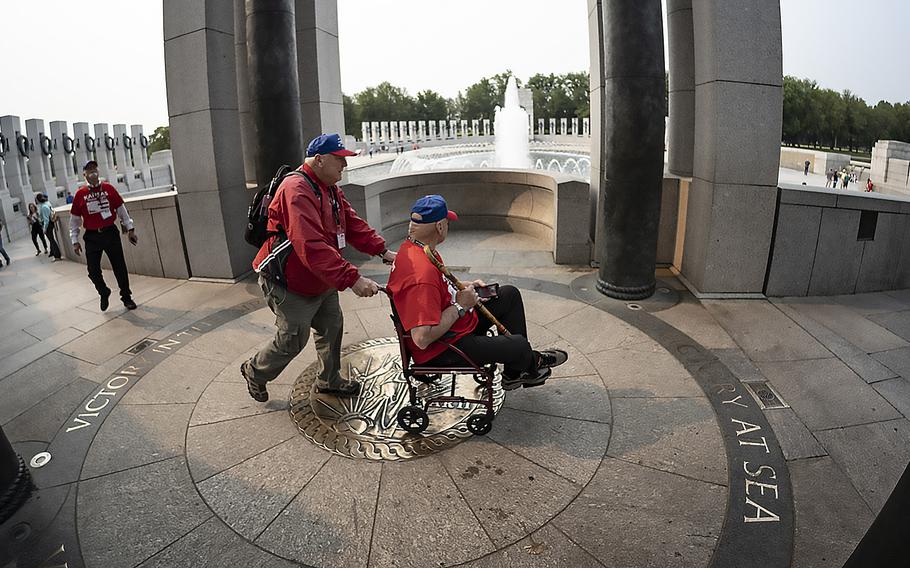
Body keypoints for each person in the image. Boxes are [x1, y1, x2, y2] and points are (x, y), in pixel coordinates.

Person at [241, 133, 396, 402]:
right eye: (339, 160)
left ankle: (330, 380)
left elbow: (352, 222)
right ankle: (255, 371)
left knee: (331, 327)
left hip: (319, 276)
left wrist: (381, 250)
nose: (344, 167)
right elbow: (310, 244)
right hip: (288, 280)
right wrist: (353, 279)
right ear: (320, 160)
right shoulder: (296, 190)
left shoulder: (330, 188)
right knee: (292, 339)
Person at [386, 195, 568, 390]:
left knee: (508, 295)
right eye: (447, 222)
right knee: (519, 345)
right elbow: (422, 338)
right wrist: (460, 305)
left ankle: (516, 372)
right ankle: (532, 361)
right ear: (439, 226)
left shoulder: (413, 248)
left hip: (453, 326)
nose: (448, 225)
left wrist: (464, 286)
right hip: (443, 347)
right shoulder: (422, 275)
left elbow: (435, 289)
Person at [69, 160, 138, 311]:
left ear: (98, 171)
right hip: (92, 237)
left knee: (119, 266)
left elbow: (122, 210)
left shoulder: (108, 188)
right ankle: (103, 291)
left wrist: (130, 228)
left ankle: (126, 297)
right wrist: (75, 240)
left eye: (94, 169)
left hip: (110, 233)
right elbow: (74, 221)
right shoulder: (80, 194)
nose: (92, 173)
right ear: (84, 175)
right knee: (93, 271)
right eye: (89, 170)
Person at [37, 194, 61, 261]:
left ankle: (57, 256)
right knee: (51, 239)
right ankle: (54, 253)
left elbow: (46, 220)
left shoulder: (44, 207)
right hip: (50, 223)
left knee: (52, 240)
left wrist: (44, 228)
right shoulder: (47, 204)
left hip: (48, 225)